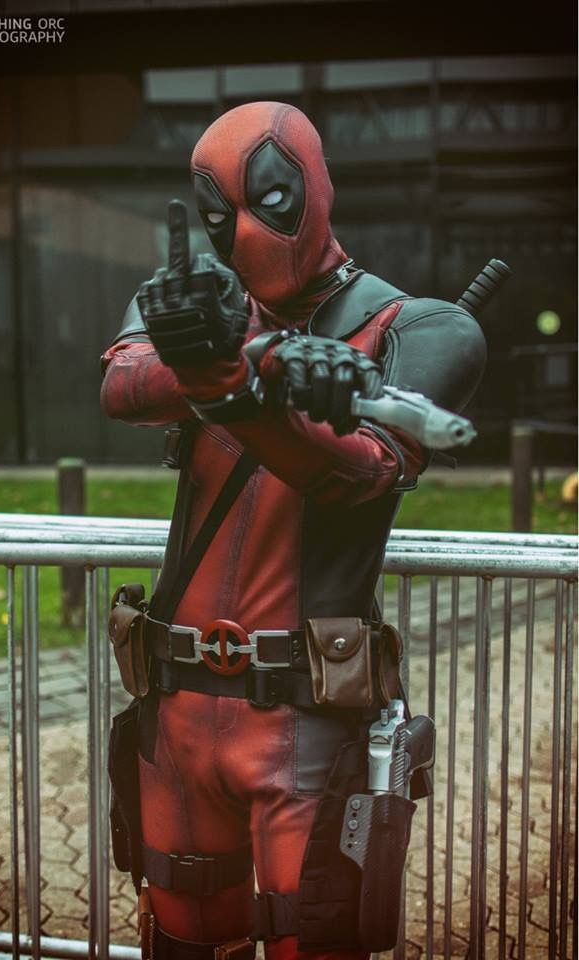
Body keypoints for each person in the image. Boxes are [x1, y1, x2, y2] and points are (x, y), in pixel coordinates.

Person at [101, 101, 486, 960]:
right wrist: (240, 360)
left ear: (310, 187)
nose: (239, 231)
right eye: (216, 212)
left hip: (304, 718)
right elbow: (123, 384)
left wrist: (241, 380)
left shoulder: (419, 328)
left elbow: (361, 469)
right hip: (176, 704)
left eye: (265, 198)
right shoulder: (195, 300)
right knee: (178, 934)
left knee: (308, 940)